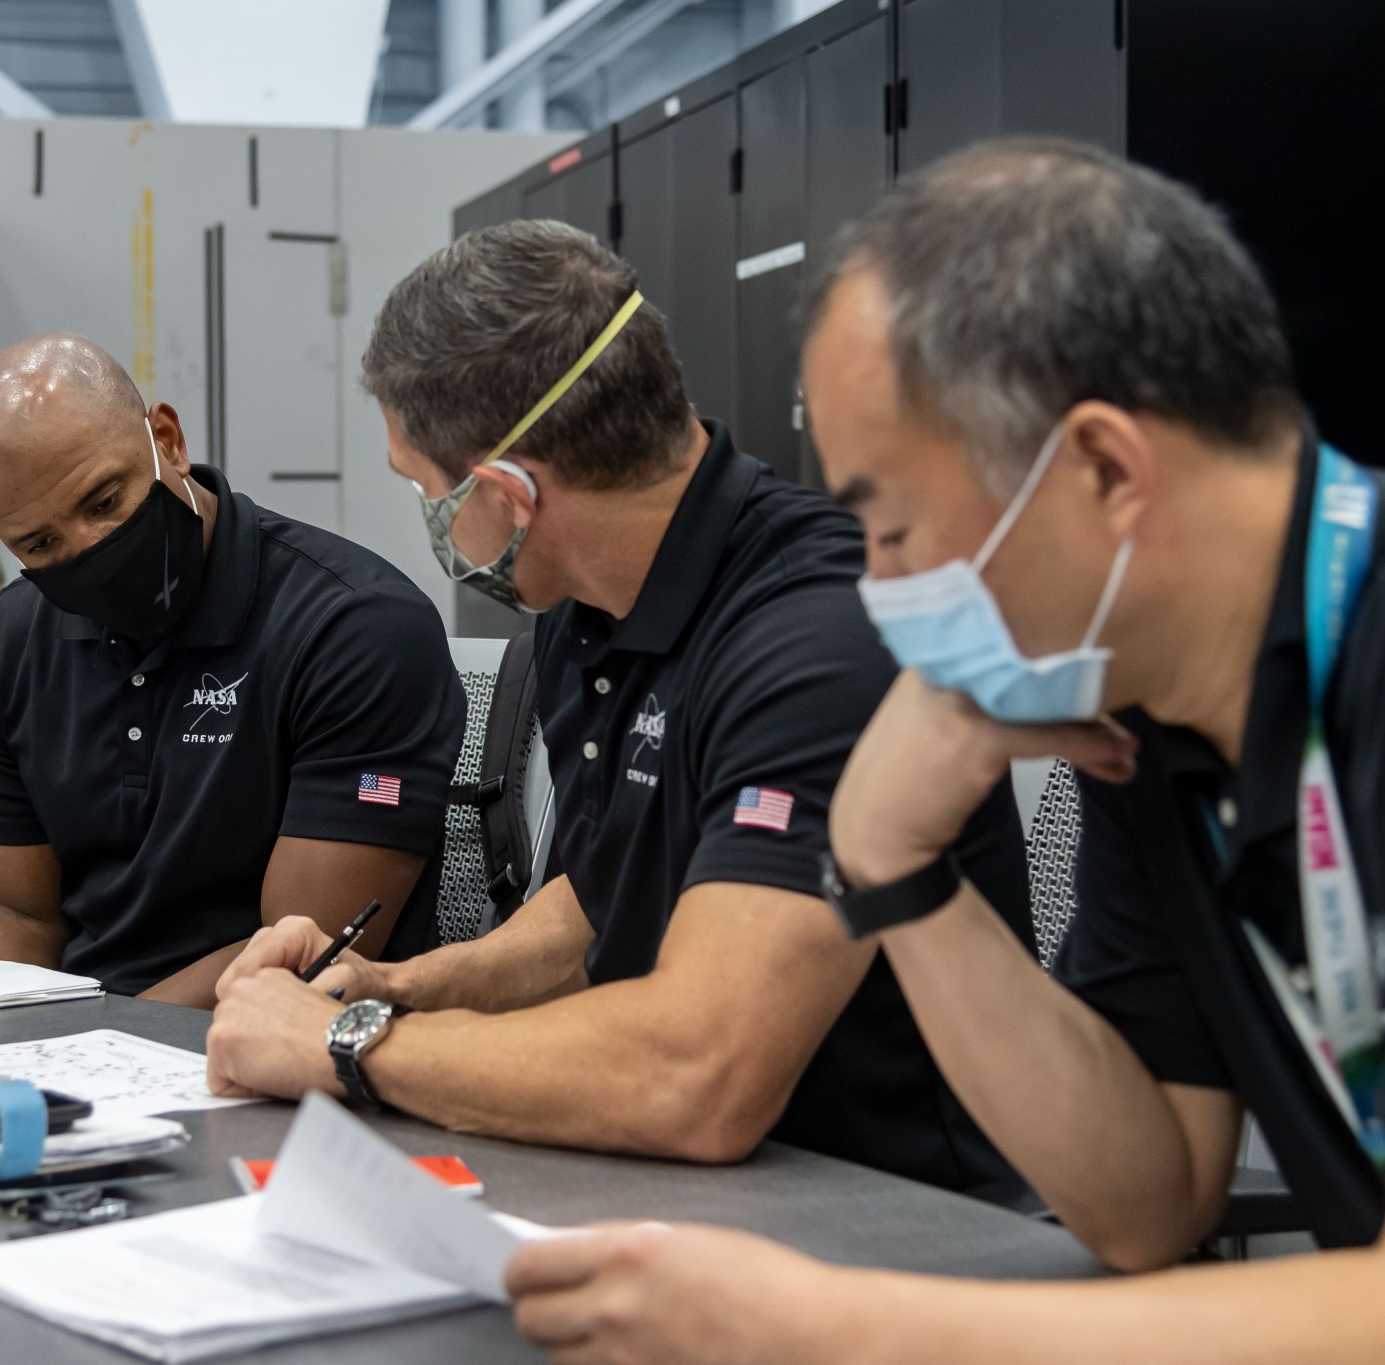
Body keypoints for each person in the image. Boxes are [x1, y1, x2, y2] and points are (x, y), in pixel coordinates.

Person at [501, 138, 1385, 1363]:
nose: (874, 583)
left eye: (887, 523)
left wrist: (830, 1325)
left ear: (1101, 466)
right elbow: (1149, 1201)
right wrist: (891, 862)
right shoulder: (1153, 721)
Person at [204, 220, 1034, 1193]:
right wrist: (391, 985)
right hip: (676, 1181)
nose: (426, 518)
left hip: (889, 1209)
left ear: (508, 496)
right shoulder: (587, 607)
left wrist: (347, 1043)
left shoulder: (818, 640)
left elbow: (699, 1074)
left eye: (423, 488)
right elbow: (596, 910)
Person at [0, 334, 463, 1007]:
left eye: (105, 501)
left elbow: (302, 952)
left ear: (167, 440)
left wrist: (102, 1041)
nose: (90, 552)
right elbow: (22, 915)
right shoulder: (19, 636)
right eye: (40, 543)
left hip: (273, 1054)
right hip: (84, 1046)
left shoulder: (356, 628)